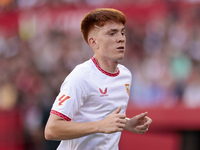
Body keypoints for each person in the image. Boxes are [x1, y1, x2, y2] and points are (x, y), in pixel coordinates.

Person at [44, 8, 152, 150]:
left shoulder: (125, 75)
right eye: (112, 33)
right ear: (94, 42)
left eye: (122, 33)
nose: (120, 38)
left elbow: (103, 116)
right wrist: (100, 126)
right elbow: (51, 130)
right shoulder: (81, 77)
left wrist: (128, 124)